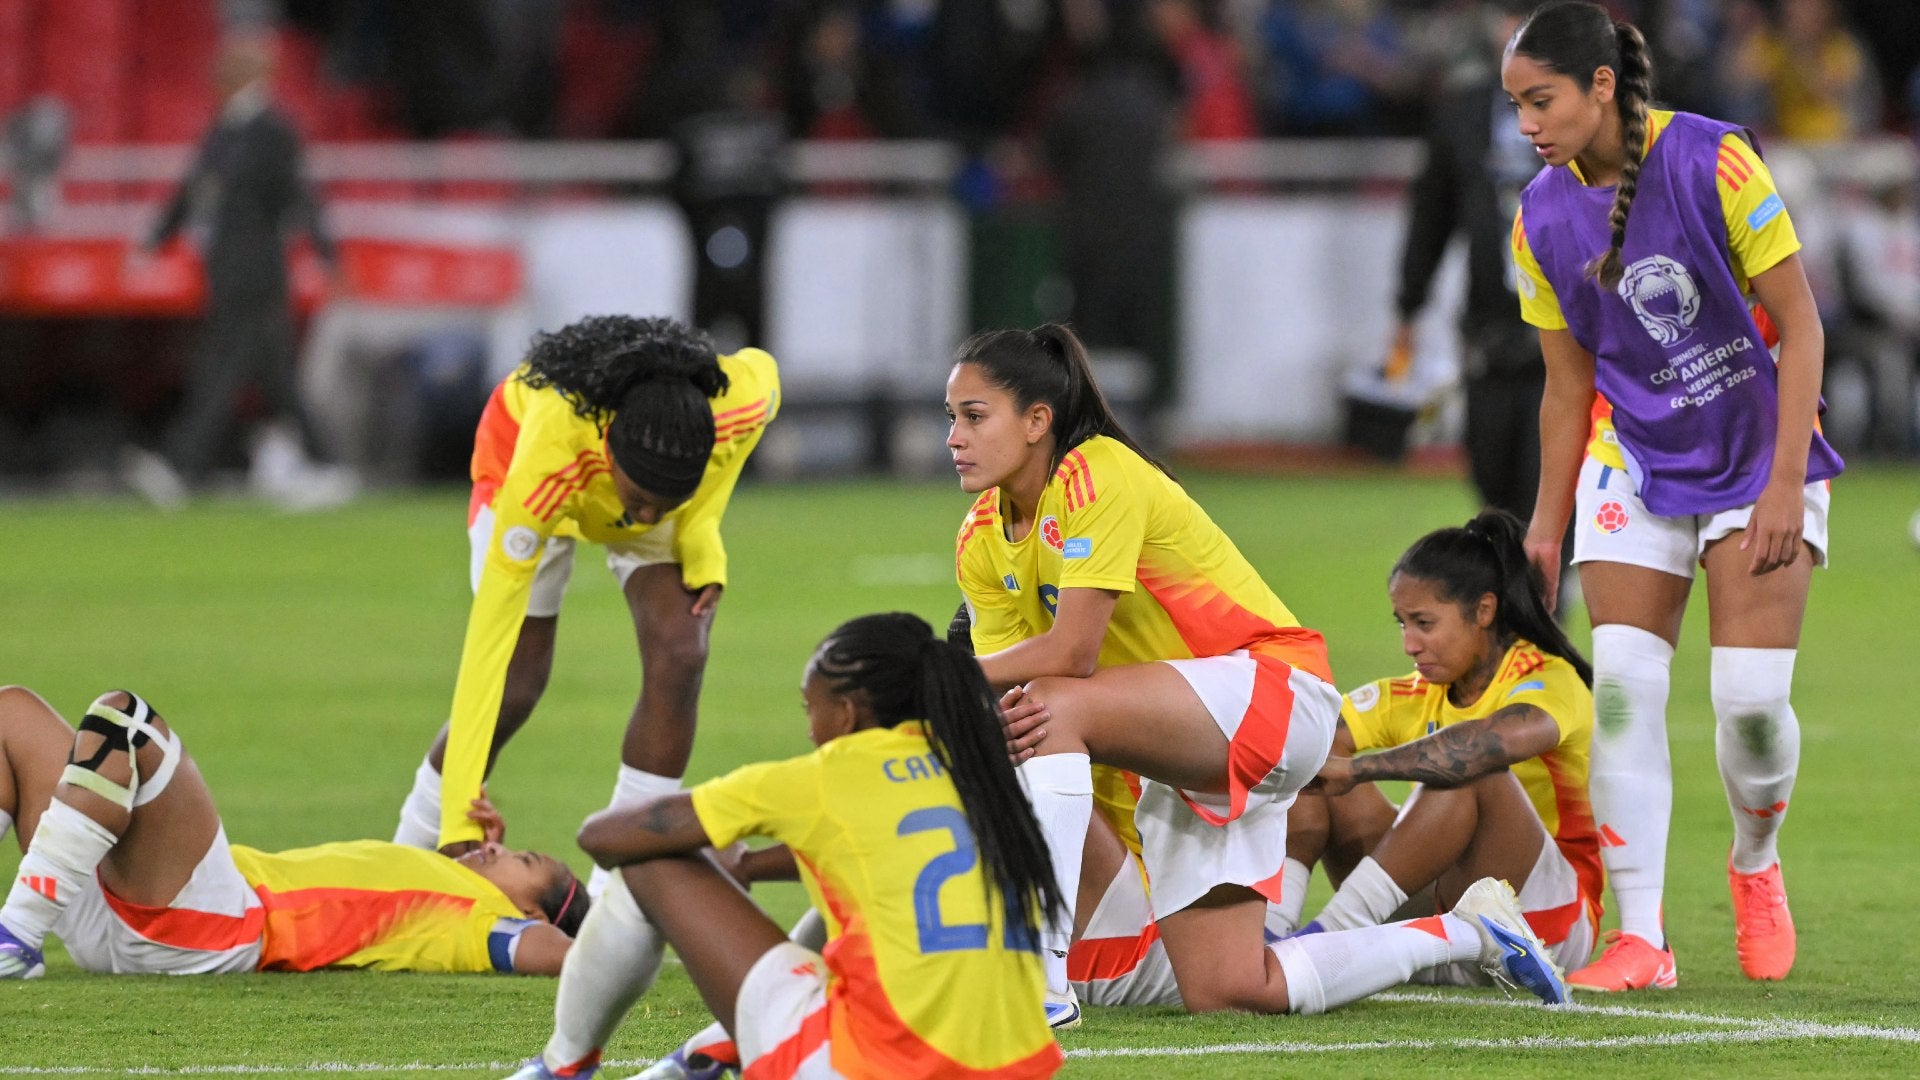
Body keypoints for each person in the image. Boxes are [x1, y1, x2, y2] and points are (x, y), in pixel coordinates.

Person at [950, 324, 1568, 1017]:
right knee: (1230, 989)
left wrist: (942, 675)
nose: (954, 437)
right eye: (952, 418)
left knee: (1050, 704)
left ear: (1038, 421)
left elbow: (1070, 657)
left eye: (974, 416)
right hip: (1185, 751)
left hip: (1273, 689)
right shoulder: (980, 538)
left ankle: (1042, 978)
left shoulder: (1096, 470)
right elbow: (1010, 695)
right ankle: (1468, 933)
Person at [1503, 1, 1844, 989]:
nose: (1528, 124)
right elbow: (1567, 385)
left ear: (1601, 85)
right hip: (1636, 459)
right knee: (1621, 692)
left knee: (1747, 707)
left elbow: (1803, 329)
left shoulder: (1714, 161)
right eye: (1517, 105)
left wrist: (1786, 485)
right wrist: (1545, 523)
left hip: (1755, 452)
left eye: (1542, 100)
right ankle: (1641, 936)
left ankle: (1754, 860)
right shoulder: (1538, 217)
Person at [505, 612, 1065, 1080]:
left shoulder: (830, 774)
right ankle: (710, 1050)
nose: (808, 727)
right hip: (1017, 1067)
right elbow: (881, 859)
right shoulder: (976, 766)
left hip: (878, 1066)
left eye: (809, 708)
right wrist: (747, 866)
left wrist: (716, 856)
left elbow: (603, 838)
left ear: (845, 713)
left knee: (649, 867)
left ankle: (560, 1066)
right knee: (853, 908)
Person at [390, 315, 779, 901]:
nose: (645, 520)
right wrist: (458, 820)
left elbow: (751, 404)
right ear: (610, 447)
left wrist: (698, 530)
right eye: (643, 502)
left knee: (681, 649)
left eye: (664, 504)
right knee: (518, 682)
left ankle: (619, 885)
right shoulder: (546, 461)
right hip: (520, 455)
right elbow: (487, 646)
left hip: (640, 475)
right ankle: (405, 856)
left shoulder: (738, 406)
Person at [0, 686, 584, 979]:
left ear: (531, 912)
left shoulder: (478, 920)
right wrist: (466, 819)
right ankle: (18, 935)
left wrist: (624, 932)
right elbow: (440, 767)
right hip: (125, 906)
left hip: (212, 925)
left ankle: (16, 935)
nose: (497, 849)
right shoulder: (427, 880)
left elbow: (568, 956)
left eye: (523, 859)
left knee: (126, 719)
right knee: (12, 711)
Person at [1277, 511, 1602, 987]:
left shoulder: (1547, 678)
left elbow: (1486, 745)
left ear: (1484, 611)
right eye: (1402, 623)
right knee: (1314, 764)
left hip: (1548, 925)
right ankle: (1273, 935)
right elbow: (1307, 748)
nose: (1409, 643)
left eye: (1424, 623)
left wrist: (1362, 767)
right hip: (1443, 918)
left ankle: (1328, 939)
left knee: (1472, 768)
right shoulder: (1409, 693)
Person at [132, 37, 350, 511]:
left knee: (222, 369)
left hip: (257, 272)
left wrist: (326, 254)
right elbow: (192, 191)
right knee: (271, 377)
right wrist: (155, 240)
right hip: (226, 269)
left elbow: (299, 197)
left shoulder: (274, 131)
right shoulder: (224, 130)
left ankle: (181, 463)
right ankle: (327, 463)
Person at [1390, 0, 1556, 524]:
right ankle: (1518, 590)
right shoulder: (1462, 110)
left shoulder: (1580, 109)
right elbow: (1431, 217)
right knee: (1491, 482)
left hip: (1563, 342)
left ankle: (1548, 589)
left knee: (1545, 489)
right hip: (1488, 336)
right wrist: (1407, 308)